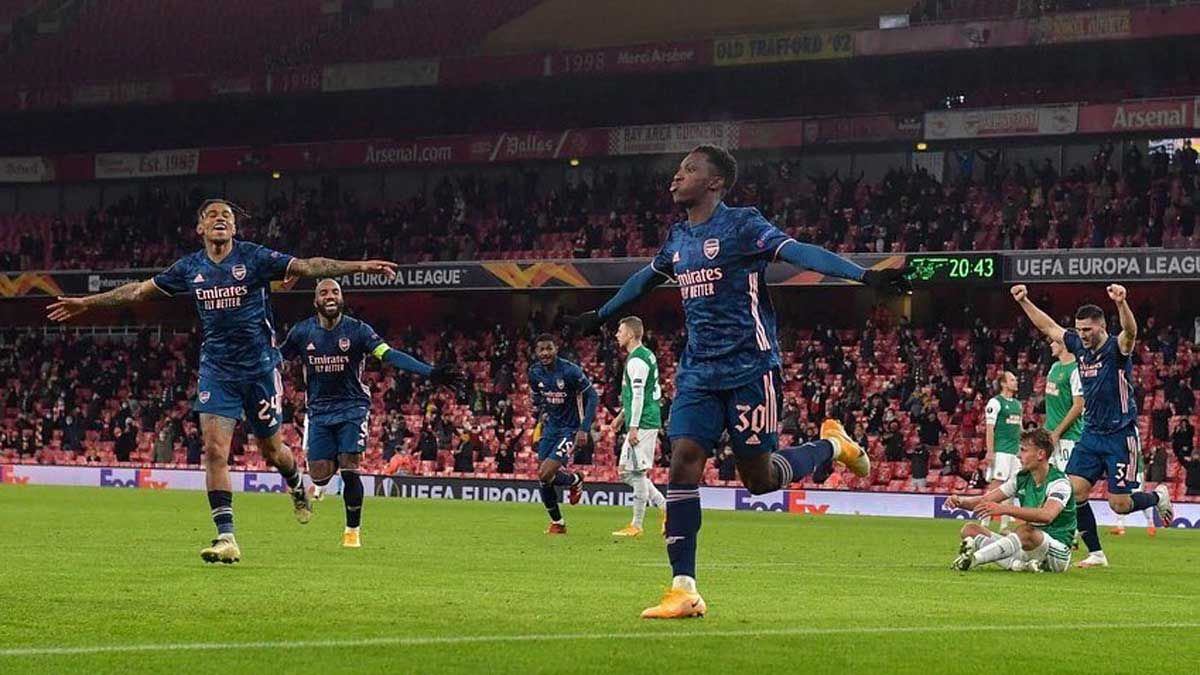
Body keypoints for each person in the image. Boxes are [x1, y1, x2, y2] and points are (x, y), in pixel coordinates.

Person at [568, 145, 909, 618]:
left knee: (760, 479)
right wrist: (601, 316)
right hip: (698, 372)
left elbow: (800, 252)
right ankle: (683, 588)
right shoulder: (678, 237)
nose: (675, 176)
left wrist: (863, 276)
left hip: (752, 369)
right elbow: (645, 280)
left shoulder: (743, 225)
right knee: (684, 463)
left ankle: (834, 446)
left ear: (714, 183)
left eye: (688, 170)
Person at [47, 198, 400, 564]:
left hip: (260, 370)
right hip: (217, 370)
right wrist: (87, 303)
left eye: (227, 216)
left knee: (272, 450)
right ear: (200, 228)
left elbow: (310, 266)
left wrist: (359, 266)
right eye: (212, 215)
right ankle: (226, 536)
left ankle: (296, 483)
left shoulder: (254, 258)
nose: (220, 219)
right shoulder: (190, 268)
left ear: (234, 228)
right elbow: (137, 291)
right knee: (215, 450)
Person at [279, 279, 461, 548]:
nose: (330, 296)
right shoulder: (301, 332)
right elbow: (276, 358)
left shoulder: (358, 331)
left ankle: (352, 532)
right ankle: (305, 486)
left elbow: (390, 355)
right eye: (324, 292)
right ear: (315, 300)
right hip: (318, 410)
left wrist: (430, 372)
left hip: (352, 406)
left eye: (335, 292)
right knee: (321, 475)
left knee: (350, 468)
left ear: (342, 298)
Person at [1011, 284, 1174, 568]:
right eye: (1079, 329)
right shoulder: (1077, 345)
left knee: (1119, 504)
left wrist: (1122, 304)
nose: (1082, 335)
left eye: (1087, 330)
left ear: (1100, 327)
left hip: (1120, 435)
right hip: (1091, 434)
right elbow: (1049, 327)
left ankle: (1157, 496)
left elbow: (1131, 332)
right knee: (1073, 493)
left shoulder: (1116, 348)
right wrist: (1024, 301)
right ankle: (1097, 552)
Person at [948, 429, 1076, 574]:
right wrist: (960, 501)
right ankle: (1020, 565)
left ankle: (973, 560)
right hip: (1027, 546)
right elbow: (985, 501)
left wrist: (1005, 509)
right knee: (970, 530)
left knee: (1026, 531)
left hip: (1056, 552)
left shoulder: (1059, 482)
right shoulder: (1021, 477)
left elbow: (1047, 515)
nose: (1018, 455)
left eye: (1024, 450)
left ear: (1041, 454)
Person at [527, 333, 598, 534]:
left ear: (556, 349)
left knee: (545, 472)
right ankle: (558, 522)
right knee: (544, 478)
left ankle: (575, 480)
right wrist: (540, 411)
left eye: (549, 348)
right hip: (551, 428)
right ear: (536, 352)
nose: (545, 353)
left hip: (571, 428)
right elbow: (537, 398)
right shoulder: (534, 373)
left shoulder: (570, 371)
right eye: (541, 349)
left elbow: (592, 396)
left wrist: (584, 429)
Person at [608, 316, 667, 538]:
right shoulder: (643, 355)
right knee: (625, 472)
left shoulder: (637, 361)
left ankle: (637, 524)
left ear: (631, 334)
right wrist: (622, 417)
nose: (617, 334)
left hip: (643, 422)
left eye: (620, 330)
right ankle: (665, 508)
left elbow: (640, 395)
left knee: (637, 472)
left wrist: (633, 427)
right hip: (639, 419)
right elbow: (634, 395)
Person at [984, 371, 1023, 531]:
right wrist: (990, 451)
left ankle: (1004, 525)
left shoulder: (1017, 404)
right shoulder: (995, 403)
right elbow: (989, 428)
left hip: (1014, 453)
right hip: (1001, 452)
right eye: (1012, 380)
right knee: (995, 488)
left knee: (1012, 488)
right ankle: (984, 524)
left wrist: (1022, 449)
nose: (1016, 382)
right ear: (1003, 383)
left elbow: (1019, 428)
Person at [1043, 337, 1085, 471]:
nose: (1051, 344)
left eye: (1054, 341)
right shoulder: (1054, 367)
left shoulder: (1076, 370)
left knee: (1068, 482)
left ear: (1065, 345)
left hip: (1068, 437)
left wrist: (1057, 433)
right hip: (1050, 435)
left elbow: (1078, 406)